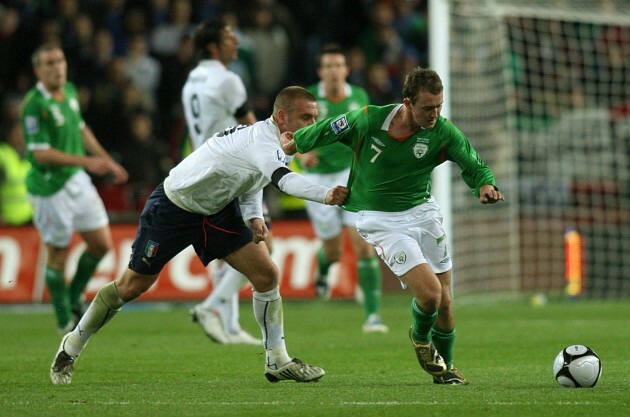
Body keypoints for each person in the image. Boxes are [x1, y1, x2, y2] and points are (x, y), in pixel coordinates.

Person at [50, 86, 348, 386]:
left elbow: (253, 180)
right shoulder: (262, 141)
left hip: (217, 210)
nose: (313, 125)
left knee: (267, 275)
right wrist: (326, 194)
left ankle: (277, 360)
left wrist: (253, 215)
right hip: (173, 207)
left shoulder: (279, 142)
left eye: (315, 118)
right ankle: (71, 345)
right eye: (306, 118)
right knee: (131, 286)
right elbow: (282, 180)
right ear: (282, 117)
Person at [281, 67, 504, 385]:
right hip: (381, 219)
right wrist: (297, 144)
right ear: (407, 103)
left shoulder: (442, 130)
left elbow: (472, 161)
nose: (435, 114)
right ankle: (419, 337)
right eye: (428, 107)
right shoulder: (370, 119)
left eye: (439, 106)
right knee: (430, 297)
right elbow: (329, 128)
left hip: (424, 214)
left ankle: (446, 370)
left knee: (446, 300)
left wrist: (485, 185)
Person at [21, 43, 128, 334]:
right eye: (50, 63)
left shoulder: (68, 92)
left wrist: (106, 160)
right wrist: (88, 162)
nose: (57, 67)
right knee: (58, 254)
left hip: (75, 179)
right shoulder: (34, 105)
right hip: (49, 187)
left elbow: (80, 129)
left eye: (60, 60)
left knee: (101, 244)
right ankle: (62, 319)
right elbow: (40, 153)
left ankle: (73, 296)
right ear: (38, 70)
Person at [298, 43, 388, 333]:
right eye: (328, 66)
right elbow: (291, 135)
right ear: (320, 71)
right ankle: (323, 269)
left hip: (352, 175)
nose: (334, 71)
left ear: (347, 70)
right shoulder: (308, 99)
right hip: (317, 180)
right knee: (334, 251)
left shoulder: (359, 96)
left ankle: (372, 317)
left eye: (339, 65)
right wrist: (301, 154)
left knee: (363, 245)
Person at [181, 17, 261, 345]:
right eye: (230, 37)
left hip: (202, 167)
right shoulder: (229, 80)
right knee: (256, 246)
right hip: (230, 170)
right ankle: (210, 308)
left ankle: (230, 327)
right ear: (214, 46)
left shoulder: (191, 81)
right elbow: (252, 127)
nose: (237, 42)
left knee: (229, 249)